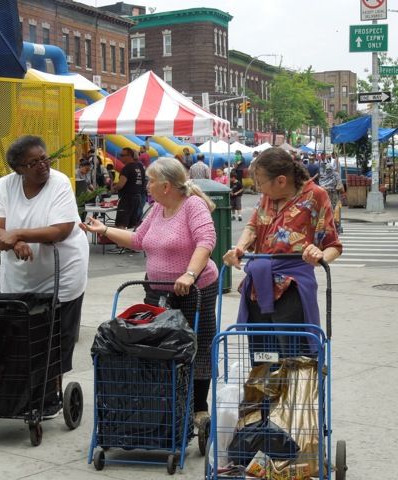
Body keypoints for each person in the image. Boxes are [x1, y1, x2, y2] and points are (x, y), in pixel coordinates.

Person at [81, 157, 219, 427]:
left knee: (196, 345)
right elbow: (138, 240)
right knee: (158, 345)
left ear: (166, 185)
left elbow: (206, 241)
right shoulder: (157, 208)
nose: (147, 185)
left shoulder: (193, 206)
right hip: (157, 289)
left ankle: (198, 407)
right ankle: (166, 403)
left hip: (194, 289)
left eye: (151, 180)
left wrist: (189, 274)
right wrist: (105, 229)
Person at [0, 135, 89, 418]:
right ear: (18, 169)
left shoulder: (59, 183)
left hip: (62, 270)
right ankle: (21, 390)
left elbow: (60, 230)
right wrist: (14, 241)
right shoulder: (6, 186)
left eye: (44, 158)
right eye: (33, 162)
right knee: (19, 331)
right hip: (20, 272)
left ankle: (52, 393)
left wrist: (17, 234)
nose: (43, 165)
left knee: (56, 332)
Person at [222, 147, 342, 357]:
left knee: (294, 356)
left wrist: (319, 255)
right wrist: (239, 247)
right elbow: (252, 227)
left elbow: (333, 245)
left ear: (280, 180)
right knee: (262, 355)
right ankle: (265, 389)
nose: (258, 188)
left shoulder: (315, 195)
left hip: (291, 288)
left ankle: (294, 390)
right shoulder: (268, 197)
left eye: (260, 182)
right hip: (258, 287)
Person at [113, 147, 145, 231]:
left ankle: (121, 243)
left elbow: (120, 185)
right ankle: (130, 242)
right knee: (133, 224)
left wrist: (114, 188)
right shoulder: (139, 167)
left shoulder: (127, 168)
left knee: (121, 224)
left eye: (122, 155)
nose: (121, 157)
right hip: (137, 197)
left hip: (127, 199)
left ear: (130, 156)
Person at [319, 162, 344, 234]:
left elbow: (339, 185)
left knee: (332, 211)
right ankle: (333, 226)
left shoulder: (327, 175)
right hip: (331, 195)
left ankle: (333, 226)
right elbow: (339, 185)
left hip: (331, 195)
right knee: (332, 211)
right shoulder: (330, 175)